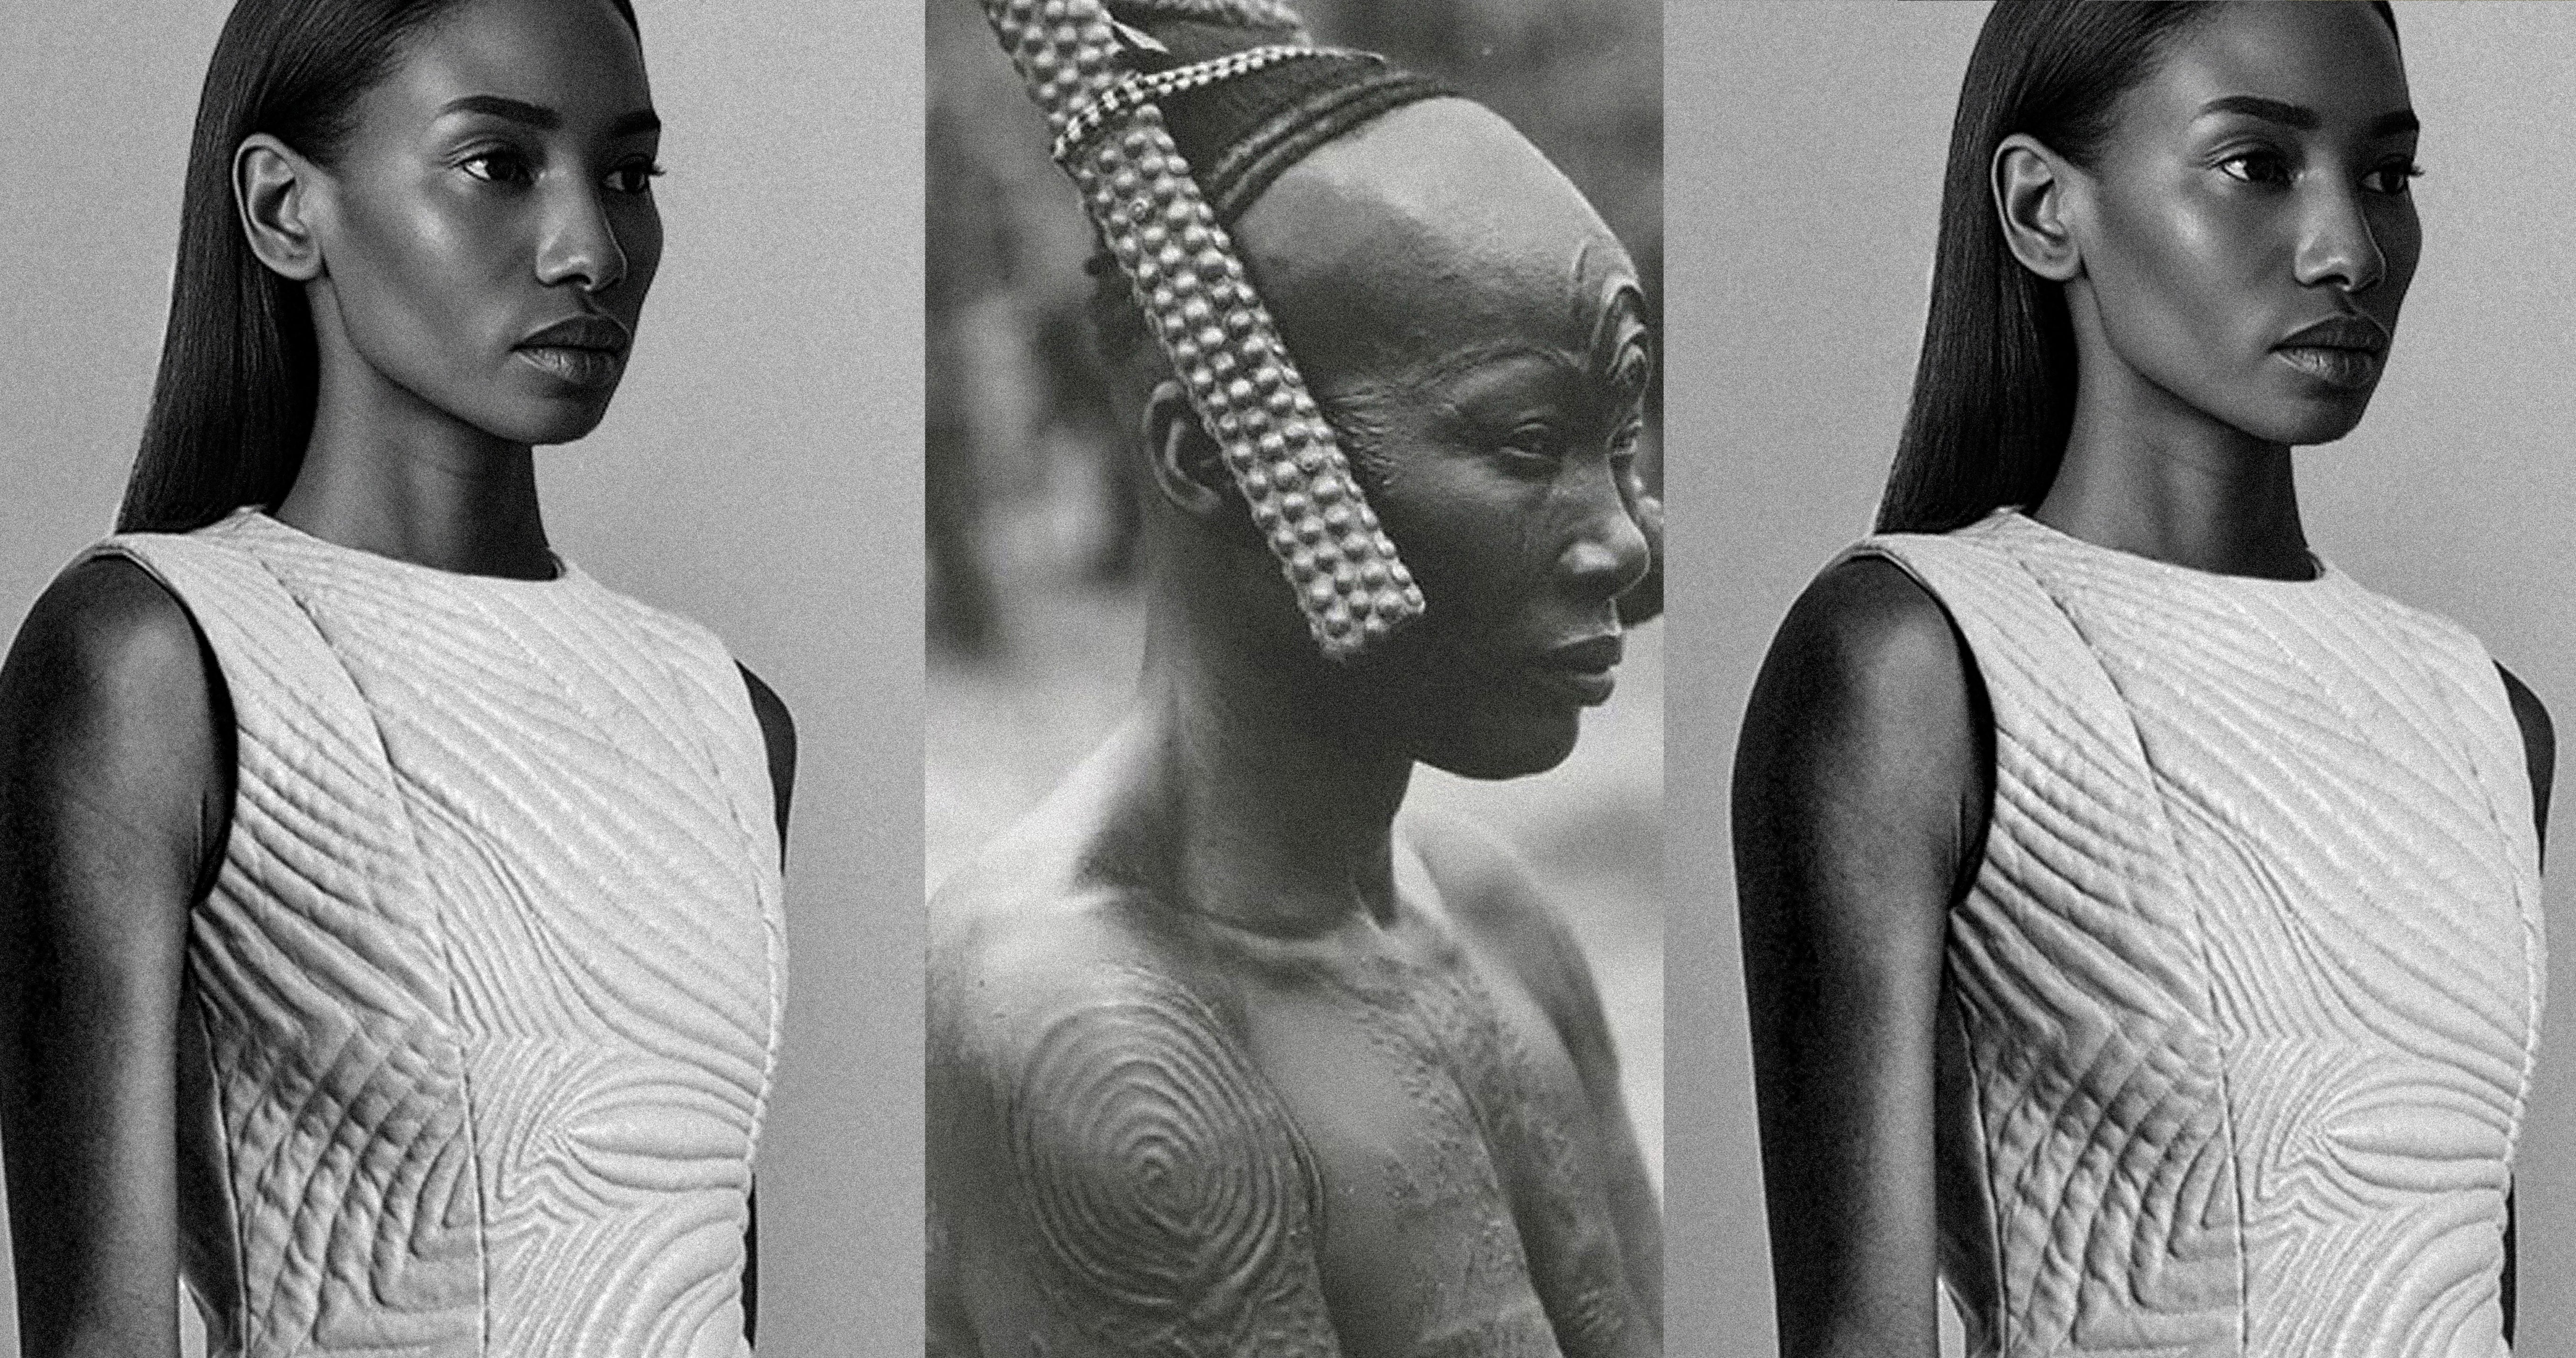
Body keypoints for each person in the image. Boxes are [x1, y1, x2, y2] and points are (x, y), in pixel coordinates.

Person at [0, 1, 793, 1354]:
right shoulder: (155, 664)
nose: (592, 249)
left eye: (630, 176)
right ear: (286, 207)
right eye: (497, 165)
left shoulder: (728, 722)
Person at [1733, 4, 2548, 1356]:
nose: (2351, 248)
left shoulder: (2491, 724)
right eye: (2257, 165)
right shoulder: (1911, 664)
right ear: (2045, 206)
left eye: (2387, 176)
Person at [927, 2, 1665, 1354]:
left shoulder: (1497, 916)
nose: (1626, 539)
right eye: (1525, 437)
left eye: (1621, 442)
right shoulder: (1101, 1050)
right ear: (1215, 459)